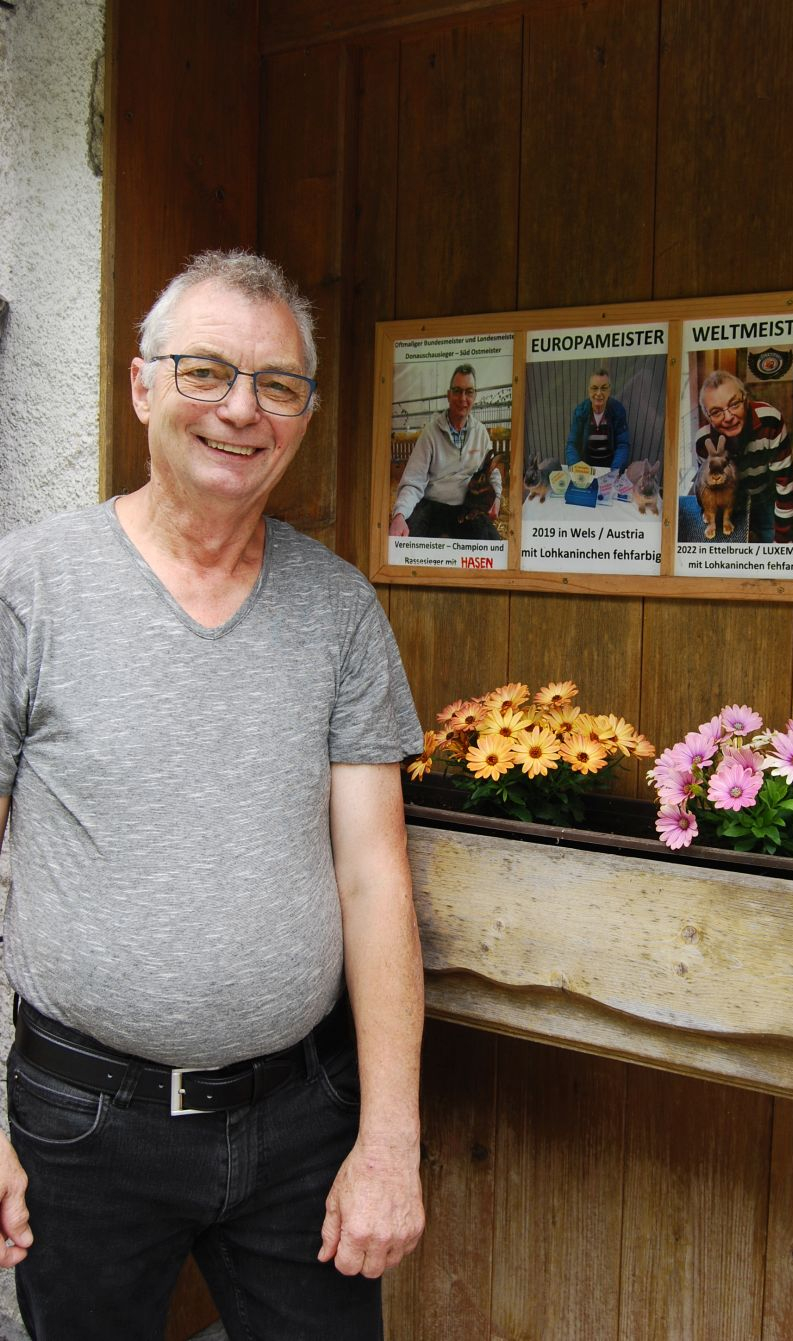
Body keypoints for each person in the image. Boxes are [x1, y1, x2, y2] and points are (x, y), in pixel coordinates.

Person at [0, 250, 426, 1340]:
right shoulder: (27, 591)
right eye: (206, 372)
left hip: (300, 1126)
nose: (241, 409)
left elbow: (375, 881)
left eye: (277, 384)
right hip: (82, 1128)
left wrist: (389, 1143)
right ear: (142, 387)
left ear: (305, 416)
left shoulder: (339, 611)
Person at [389, 364, 502, 539]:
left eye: (469, 392)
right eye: (457, 391)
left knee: (491, 541)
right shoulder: (431, 433)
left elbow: (491, 471)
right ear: (448, 395)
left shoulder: (480, 433)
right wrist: (400, 515)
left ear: (474, 396)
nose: (462, 398)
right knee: (408, 539)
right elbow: (413, 480)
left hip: (467, 509)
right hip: (432, 507)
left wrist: (497, 497)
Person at [696, 370, 793, 543]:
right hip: (729, 502)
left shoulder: (771, 421)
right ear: (708, 417)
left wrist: (782, 543)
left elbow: (787, 487)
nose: (728, 417)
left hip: (766, 496)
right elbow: (706, 489)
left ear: (746, 399)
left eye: (735, 404)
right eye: (716, 412)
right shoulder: (703, 441)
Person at [564, 368, 631, 471]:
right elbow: (572, 444)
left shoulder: (618, 410)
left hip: (610, 467)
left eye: (603, 388)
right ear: (589, 390)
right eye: (594, 388)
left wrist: (614, 471)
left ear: (609, 390)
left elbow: (622, 444)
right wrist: (576, 468)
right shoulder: (580, 411)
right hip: (585, 468)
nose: (599, 393)